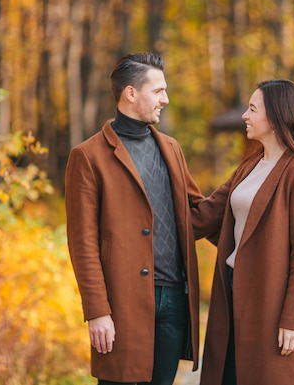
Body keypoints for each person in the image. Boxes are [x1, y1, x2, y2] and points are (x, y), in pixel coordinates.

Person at [64, 53, 204, 385]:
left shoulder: (171, 148)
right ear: (131, 93)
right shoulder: (87, 156)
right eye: (158, 91)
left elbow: (196, 214)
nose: (165, 99)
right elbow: (82, 243)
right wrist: (98, 311)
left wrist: (244, 184)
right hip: (121, 302)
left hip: (173, 300)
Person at [192, 79, 294, 385]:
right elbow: (204, 216)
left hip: (272, 303)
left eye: (252, 109)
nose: (244, 116)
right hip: (231, 293)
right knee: (229, 376)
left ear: (276, 118)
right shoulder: (248, 167)